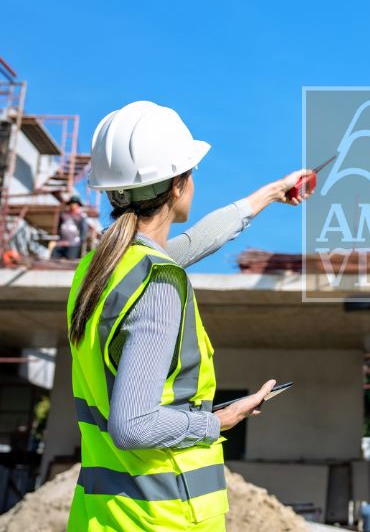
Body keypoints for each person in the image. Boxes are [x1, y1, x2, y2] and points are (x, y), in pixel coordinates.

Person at [66, 101, 312, 531]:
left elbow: (197, 240)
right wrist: (219, 419)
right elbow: (134, 426)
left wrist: (273, 193)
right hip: (161, 518)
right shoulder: (158, 285)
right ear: (179, 185)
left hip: (104, 516)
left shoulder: (100, 270)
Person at [52, 195, 88, 259]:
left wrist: (82, 239)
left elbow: (83, 229)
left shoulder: (81, 216)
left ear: (78, 205)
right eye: (72, 203)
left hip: (73, 243)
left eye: (75, 203)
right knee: (54, 258)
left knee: (70, 261)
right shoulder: (64, 214)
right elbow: (59, 226)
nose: (73, 205)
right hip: (61, 242)